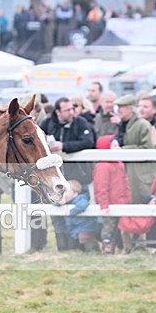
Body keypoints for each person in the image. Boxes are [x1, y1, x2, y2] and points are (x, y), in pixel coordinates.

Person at [40, 97, 96, 251]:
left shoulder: (81, 123)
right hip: (56, 178)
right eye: (67, 110)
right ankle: (62, 248)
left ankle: (80, 248)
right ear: (58, 112)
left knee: (79, 214)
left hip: (78, 177)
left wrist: (64, 146)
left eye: (72, 108)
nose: (71, 112)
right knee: (57, 214)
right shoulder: (47, 124)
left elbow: (88, 142)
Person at [113, 94, 156, 205]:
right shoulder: (124, 125)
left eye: (122, 107)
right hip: (131, 174)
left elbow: (148, 148)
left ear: (130, 108)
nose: (118, 110)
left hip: (144, 176)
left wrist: (122, 150)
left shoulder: (143, 125)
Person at [93, 134, 131, 254]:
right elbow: (101, 187)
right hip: (110, 204)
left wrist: (127, 200)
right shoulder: (103, 166)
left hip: (122, 202)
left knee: (121, 227)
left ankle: (122, 248)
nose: (118, 148)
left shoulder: (119, 163)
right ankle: (107, 248)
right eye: (114, 146)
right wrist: (104, 205)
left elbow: (125, 184)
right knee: (109, 227)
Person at [55, 179, 101, 252]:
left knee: (85, 238)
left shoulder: (80, 198)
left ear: (75, 193)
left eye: (68, 192)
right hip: (76, 228)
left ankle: (94, 250)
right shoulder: (66, 202)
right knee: (79, 242)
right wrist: (59, 203)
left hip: (86, 227)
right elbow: (54, 204)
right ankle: (83, 250)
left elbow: (83, 205)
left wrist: (72, 211)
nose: (65, 194)